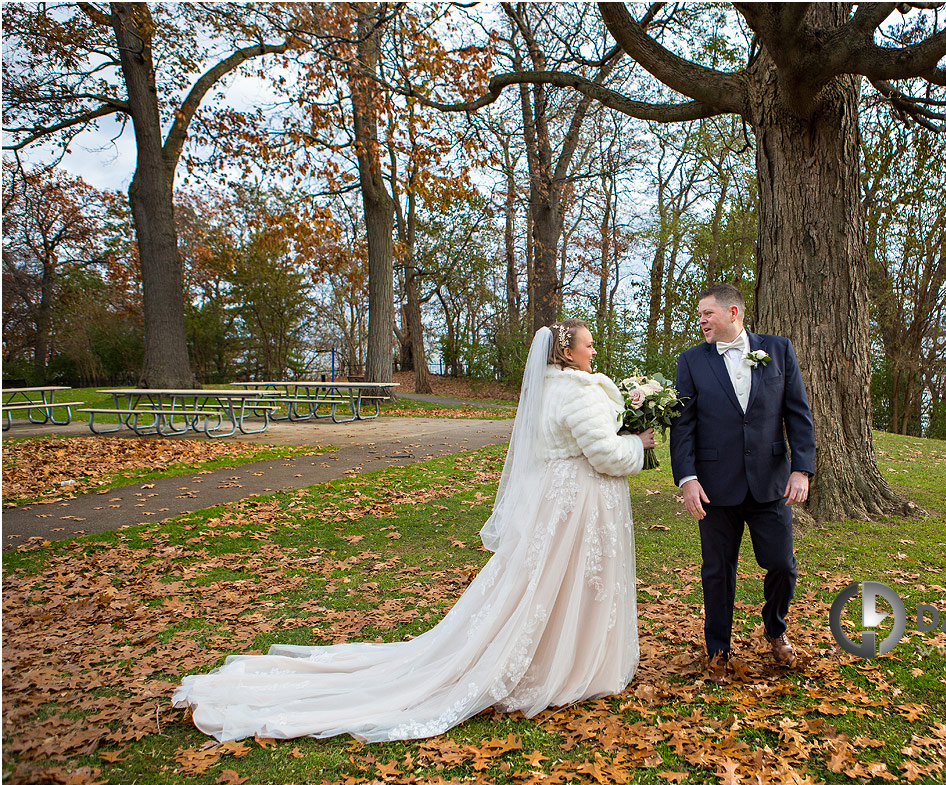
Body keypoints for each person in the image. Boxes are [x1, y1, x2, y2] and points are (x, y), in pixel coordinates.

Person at [173, 322, 654, 742]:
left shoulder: (549, 389)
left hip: (558, 502)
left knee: (547, 584)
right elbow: (606, 455)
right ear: (567, 352)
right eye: (588, 346)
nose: (594, 352)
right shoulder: (579, 390)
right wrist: (638, 443)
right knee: (566, 584)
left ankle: (563, 655)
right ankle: (567, 665)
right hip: (578, 505)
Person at [669, 284, 814, 681]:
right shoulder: (691, 362)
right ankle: (718, 649)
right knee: (717, 571)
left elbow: (797, 414)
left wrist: (801, 469)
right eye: (699, 315)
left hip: (770, 483)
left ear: (733, 313)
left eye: (707, 314)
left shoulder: (778, 349)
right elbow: (683, 427)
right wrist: (687, 479)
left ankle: (775, 629)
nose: (701, 321)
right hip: (714, 487)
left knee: (782, 565)